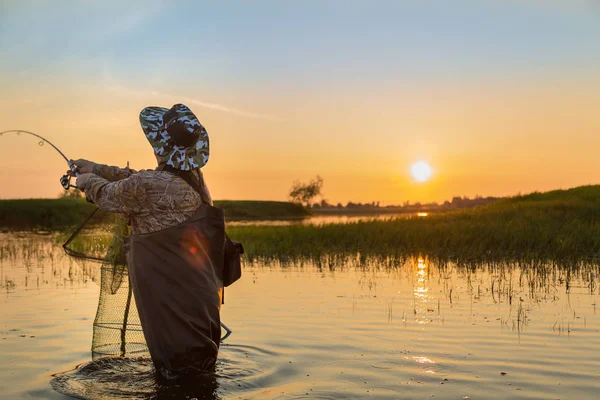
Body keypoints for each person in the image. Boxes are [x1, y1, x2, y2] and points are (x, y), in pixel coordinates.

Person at [71, 104, 225, 379]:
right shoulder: (192, 180)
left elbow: (110, 194)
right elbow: (139, 180)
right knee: (197, 372)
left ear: (160, 146)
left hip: (173, 303)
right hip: (197, 297)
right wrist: (96, 168)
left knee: (180, 373)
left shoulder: (152, 185)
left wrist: (86, 179)